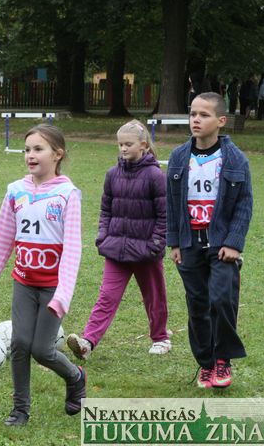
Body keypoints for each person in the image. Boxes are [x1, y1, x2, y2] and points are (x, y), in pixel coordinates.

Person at [0, 124, 85, 426]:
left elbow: (73, 249)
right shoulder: (15, 191)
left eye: (38, 149)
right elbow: (0, 242)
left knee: (42, 351)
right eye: (27, 149)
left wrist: (63, 295)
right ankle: (20, 409)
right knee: (19, 344)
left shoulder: (67, 195)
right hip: (24, 283)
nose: (30, 155)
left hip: (52, 288)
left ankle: (75, 377)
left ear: (58, 154)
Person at [167, 92, 252, 389]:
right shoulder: (178, 157)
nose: (196, 120)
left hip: (221, 245)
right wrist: (174, 242)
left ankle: (223, 360)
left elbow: (244, 205)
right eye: (193, 114)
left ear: (221, 121)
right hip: (189, 244)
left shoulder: (235, 159)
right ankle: (205, 363)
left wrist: (234, 243)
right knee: (197, 304)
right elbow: (171, 203)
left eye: (204, 115)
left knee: (222, 299)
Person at [66, 120, 169, 361]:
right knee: (107, 296)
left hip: (146, 251)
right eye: (120, 144)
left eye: (128, 144)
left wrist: (156, 243)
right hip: (116, 250)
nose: (123, 148)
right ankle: (87, 342)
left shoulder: (156, 176)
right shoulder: (112, 174)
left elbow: (165, 215)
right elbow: (106, 209)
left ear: (143, 145)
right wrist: (103, 236)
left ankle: (161, 338)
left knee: (154, 296)